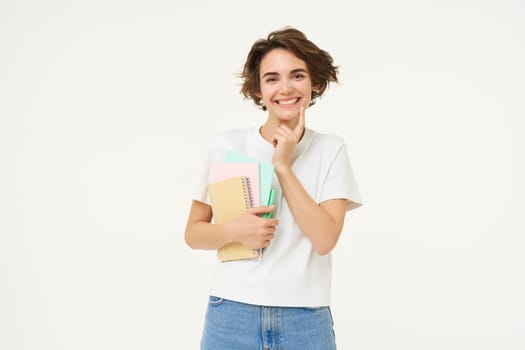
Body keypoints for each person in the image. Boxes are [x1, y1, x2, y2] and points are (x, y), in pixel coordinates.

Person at [184, 27, 362, 350]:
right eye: (272, 78)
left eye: (297, 76)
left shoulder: (330, 149)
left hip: (305, 319)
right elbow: (193, 233)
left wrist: (283, 165)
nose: (285, 88)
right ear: (257, 90)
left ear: (315, 83)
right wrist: (235, 231)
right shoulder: (227, 144)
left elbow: (325, 240)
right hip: (231, 314)